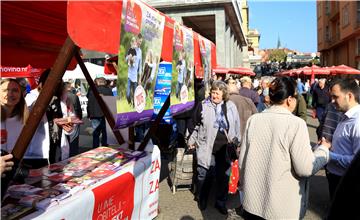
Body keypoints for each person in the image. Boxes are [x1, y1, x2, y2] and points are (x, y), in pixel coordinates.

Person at [239, 77, 331, 219]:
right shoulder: (296, 124)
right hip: (281, 208)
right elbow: (305, 168)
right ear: (289, 99)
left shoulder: (254, 120)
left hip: (252, 204)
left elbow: (242, 162)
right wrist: (323, 150)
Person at [188, 80, 241, 215]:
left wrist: (237, 141)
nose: (214, 95)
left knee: (224, 176)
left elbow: (236, 125)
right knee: (204, 175)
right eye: (213, 92)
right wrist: (190, 140)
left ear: (224, 94)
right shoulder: (203, 105)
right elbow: (193, 124)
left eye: (217, 93)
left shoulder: (230, 106)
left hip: (225, 148)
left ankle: (220, 201)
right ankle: (202, 197)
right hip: (206, 147)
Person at [326, 78, 360, 199]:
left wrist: (329, 156)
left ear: (349, 96)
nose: (332, 101)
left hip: (345, 181)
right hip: (336, 177)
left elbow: (356, 162)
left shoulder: (357, 122)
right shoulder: (345, 115)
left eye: (335, 97)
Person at [0, 79, 29, 154]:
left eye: (15, 90)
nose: (10, 94)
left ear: (21, 95)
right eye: (5, 90)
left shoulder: (24, 119)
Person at [87, 77, 113, 148]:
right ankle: (104, 147)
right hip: (106, 115)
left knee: (96, 133)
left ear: (97, 82)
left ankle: (95, 148)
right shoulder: (109, 91)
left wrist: (89, 114)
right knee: (105, 133)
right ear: (104, 82)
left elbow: (89, 104)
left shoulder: (93, 91)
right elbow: (111, 103)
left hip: (95, 115)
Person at [64, 82, 82, 157]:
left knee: (66, 138)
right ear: (69, 87)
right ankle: (73, 154)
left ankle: (67, 153)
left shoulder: (62, 95)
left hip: (64, 118)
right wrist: (79, 118)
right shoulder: (74, 96)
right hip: (73, 118)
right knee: (74, 138)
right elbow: (78, 108)